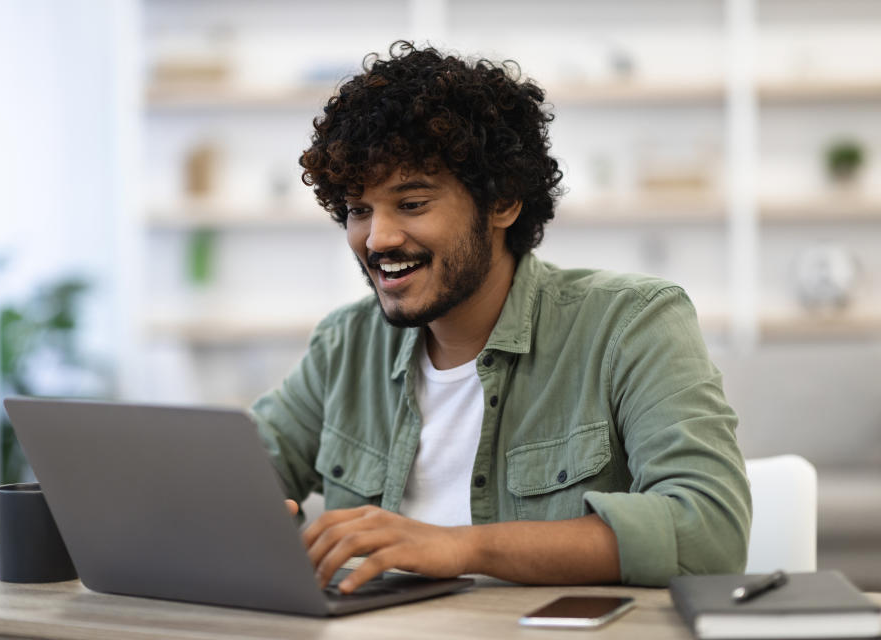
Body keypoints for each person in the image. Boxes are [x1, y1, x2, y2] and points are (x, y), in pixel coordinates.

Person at [251, 41, 751, 594]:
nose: (378, 238)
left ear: (502, 202)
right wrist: (249, 518)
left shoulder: (631, 324)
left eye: (412, 204)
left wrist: (459, 546)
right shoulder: (346, 344)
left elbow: (709, 532)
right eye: (358, 210)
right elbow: (237, 472)